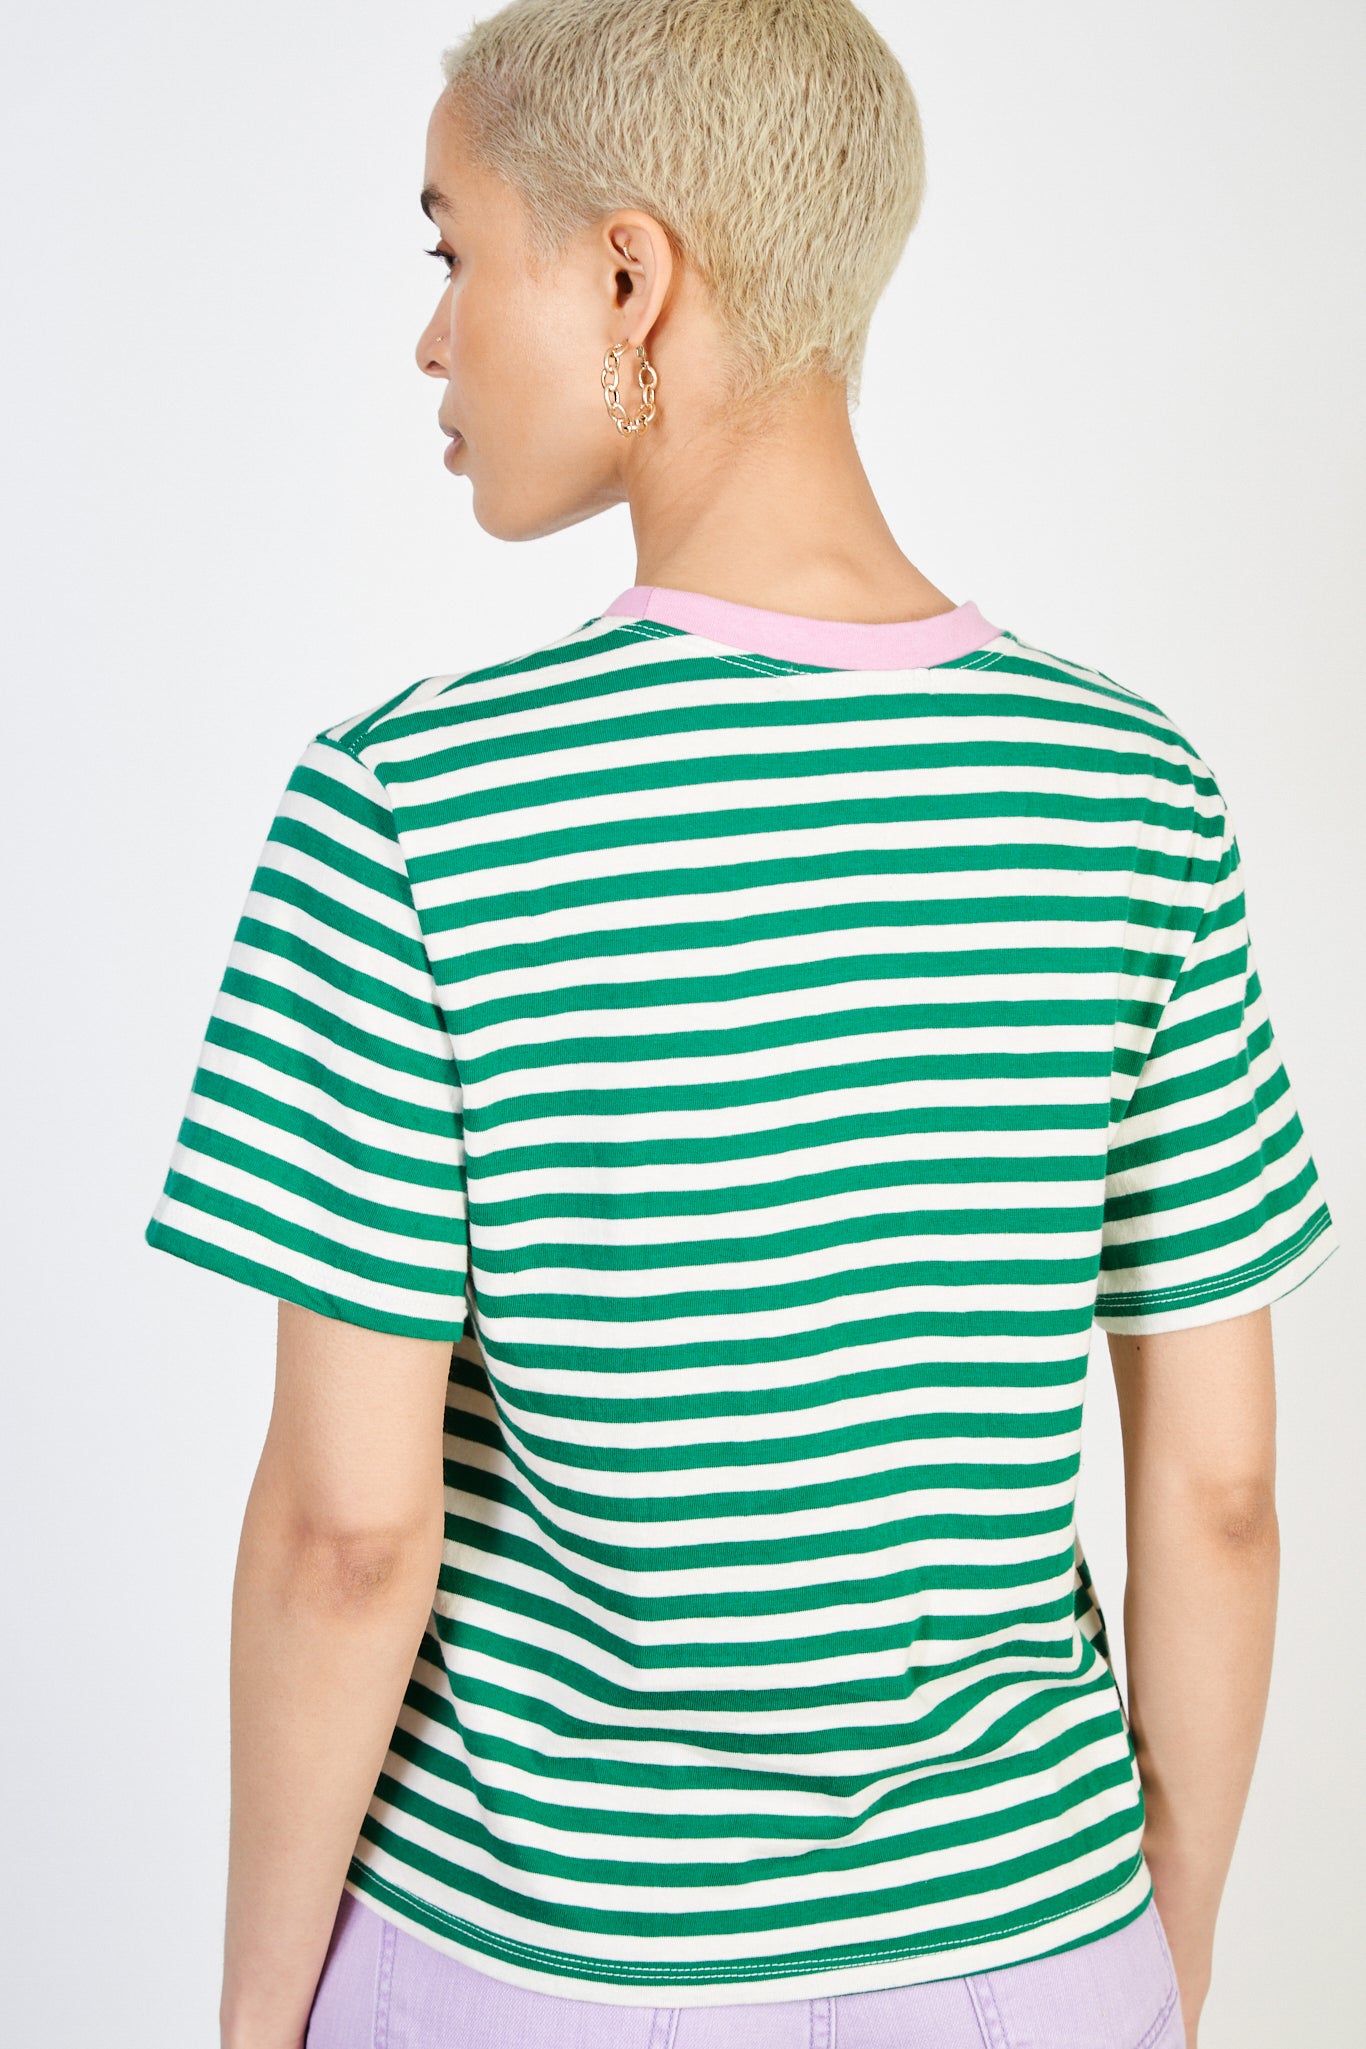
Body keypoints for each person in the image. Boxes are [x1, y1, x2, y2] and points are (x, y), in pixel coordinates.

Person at [143, 4, 1338, 2046]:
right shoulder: (1128, 788)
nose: (429, 340)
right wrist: (1165, 1940)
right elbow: (1216, 1488)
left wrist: (259, 2013)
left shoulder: (413, 805)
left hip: (540, 1960)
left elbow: (349, 1533)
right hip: (1036, 1944)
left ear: (629, 279)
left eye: (451, 250)